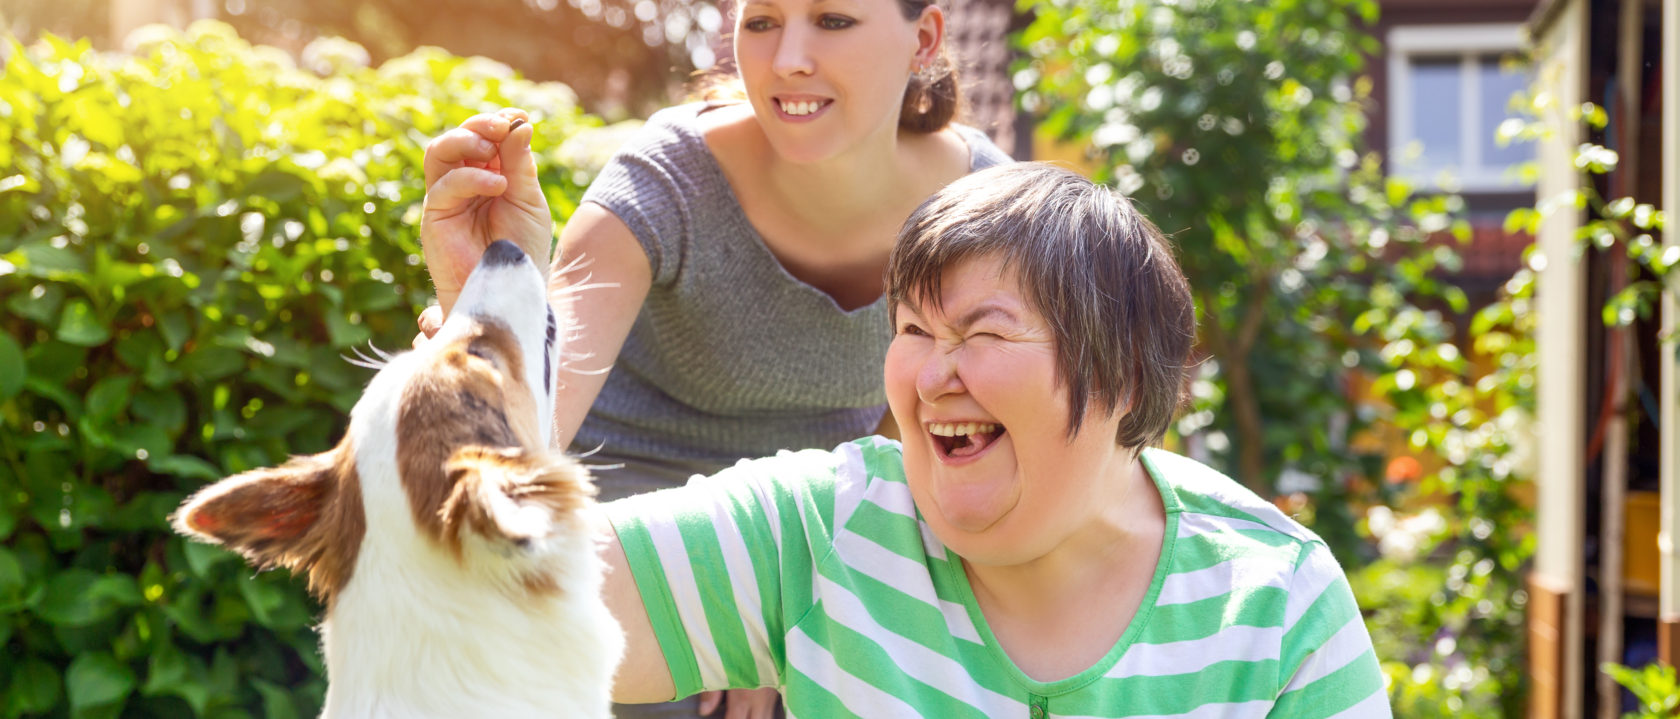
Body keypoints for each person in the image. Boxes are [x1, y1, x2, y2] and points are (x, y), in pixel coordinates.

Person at [599, 163, 1393, 718]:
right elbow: (516, 591)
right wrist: (481, 313)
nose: (932, 372)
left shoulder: (1276, 604)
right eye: (914, 328)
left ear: (1117, 375)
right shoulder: (821, 528)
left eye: (983, 332)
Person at [416, 0, 1010, 713]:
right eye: (761, 22)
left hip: (822, 513)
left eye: (833, 20)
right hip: (624, 495)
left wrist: (783, 587)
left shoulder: (984, 206)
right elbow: (530, 431)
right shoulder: (667, 176)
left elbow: (934, 436)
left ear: (925, 37)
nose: (787, 57)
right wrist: (486, 301)